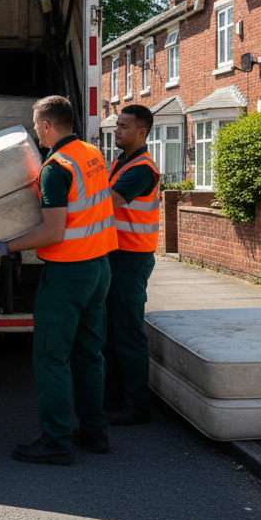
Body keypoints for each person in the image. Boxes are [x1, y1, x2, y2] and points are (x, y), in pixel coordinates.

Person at [0, 95, 117, 464]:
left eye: (36, 124)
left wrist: (5, 246)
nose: (36, 131)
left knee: (51, 358)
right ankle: (94, 431)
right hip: (99, 268)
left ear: (48, 126)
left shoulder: (56, 167)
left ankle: (55, 442)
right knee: (88, 354)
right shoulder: (91, 153)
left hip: (69, 273)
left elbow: (53, 231)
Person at [103, 105, 159, 425]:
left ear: (141, 133)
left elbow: (107, 203)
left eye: (124, 127)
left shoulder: (141, 169)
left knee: (128, 334)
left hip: (131, 259)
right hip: (116, 256)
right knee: (111, 334)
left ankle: (138, 405)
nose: (117, 130)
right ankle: (113, 398)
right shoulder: (122, 163)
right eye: (117, 125)